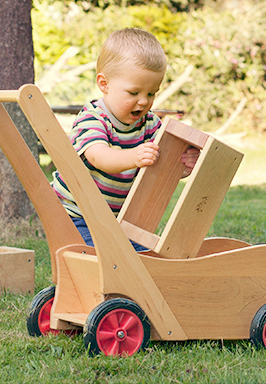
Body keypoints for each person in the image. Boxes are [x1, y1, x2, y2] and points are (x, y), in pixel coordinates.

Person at [51, 27, 199, 251]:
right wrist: (134, 156)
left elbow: (160, 166)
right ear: (104, 84)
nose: (143, 101)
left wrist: (183, 166)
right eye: (133, 93)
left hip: (120, 219)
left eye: (151, 93)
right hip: (78, 214)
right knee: (102, 259)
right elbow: (99, 156)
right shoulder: (93, 118)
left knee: (142, 260)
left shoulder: (150, 124)